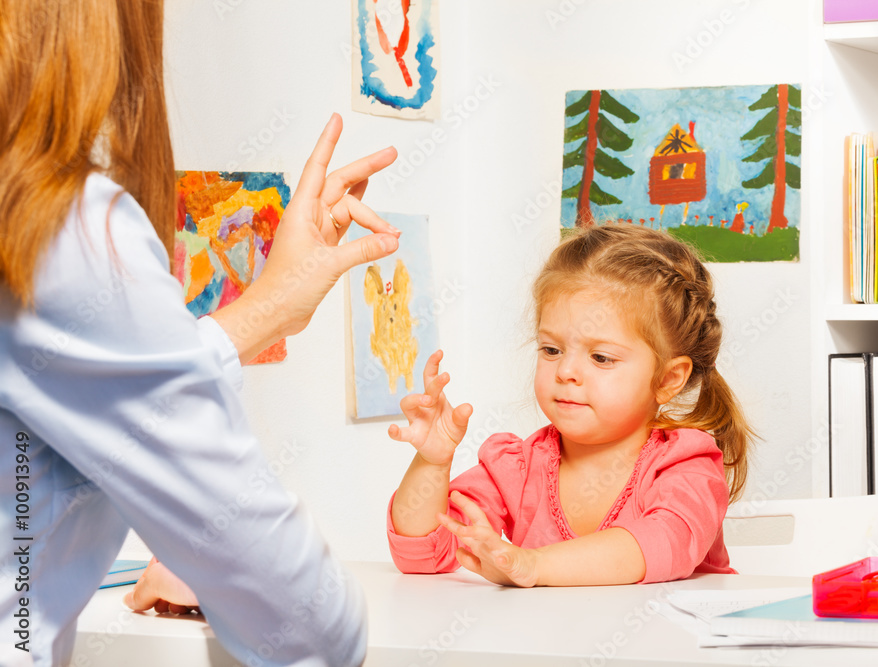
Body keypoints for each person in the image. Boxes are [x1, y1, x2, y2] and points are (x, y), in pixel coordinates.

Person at [0, 1, 399, 665]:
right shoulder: (53, 224)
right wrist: (222, 564)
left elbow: (51, 376)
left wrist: (266, 308)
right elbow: (313, 627)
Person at [386, 224, 753, 586]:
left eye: (601, 357)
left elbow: (663, 543)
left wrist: (533, 565)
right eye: (551, 349)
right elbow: (423, 555)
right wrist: (432, 463)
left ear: (667, 379)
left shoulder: (684, 466)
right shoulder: (517, 468)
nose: (566, 371)